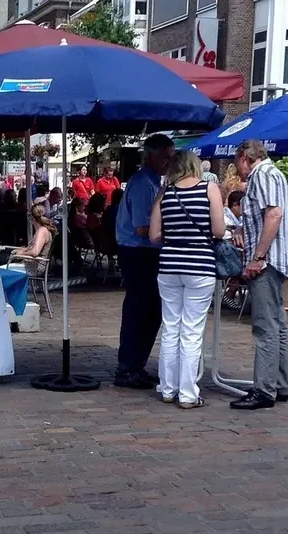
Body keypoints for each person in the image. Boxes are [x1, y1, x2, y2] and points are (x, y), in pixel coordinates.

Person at [149, 150, 225, 408]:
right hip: (200, 265)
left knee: (170, 328)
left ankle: (167, 389)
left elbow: (154, 236)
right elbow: (218, 229)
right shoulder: (209, 189)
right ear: (195, 166)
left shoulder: (164, 194)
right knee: (192, 331)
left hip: (169, 265)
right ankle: (188, 393)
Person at [229, 140, 288, 411]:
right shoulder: (273, 174)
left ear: (245, 157)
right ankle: (278, 384)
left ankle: (264, 389)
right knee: (277, 323)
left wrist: (259, 256)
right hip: (275, 259)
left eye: (237, 163)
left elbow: (273, 215)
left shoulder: (263, 175)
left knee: (265, 325)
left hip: (267, 262)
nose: (238, 171)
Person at [114, 133, 175, 389]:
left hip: (147, 252)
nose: (170, 161)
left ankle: (136, 365)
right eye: (166, 156)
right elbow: (142, 228)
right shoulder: (143, 184)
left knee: (151, 313)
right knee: (139, 312)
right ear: (151, 155)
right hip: (139, 253)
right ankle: (128, 368)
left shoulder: (154, 183)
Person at [10, 204, 56, 277]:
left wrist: (21, 254)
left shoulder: (42, 231)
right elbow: (34, 248)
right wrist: (22, 249)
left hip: (35, 267)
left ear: (31, 218)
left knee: (3, 270)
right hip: (33, 265)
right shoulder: (41, 230)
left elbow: (35, 252)